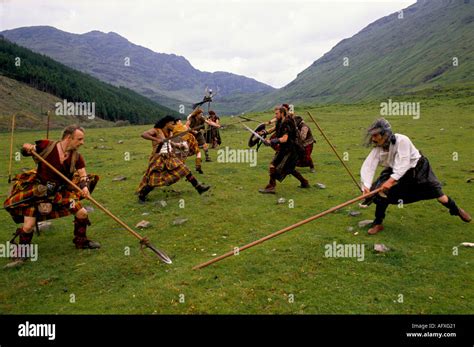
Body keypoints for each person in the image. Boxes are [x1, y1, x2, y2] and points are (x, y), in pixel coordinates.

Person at [360, 118, 471, 235]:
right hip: (396, 171)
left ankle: (456, 209)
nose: (373, 138)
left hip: (418, 169)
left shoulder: (402, 140)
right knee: (380, 194)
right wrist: (366, 186)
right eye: (372, 135)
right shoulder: (378, 148)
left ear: (385, 134)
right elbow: (369, 166)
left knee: (439, 196)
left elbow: (403, 163)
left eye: (376, 135)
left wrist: (391, 181)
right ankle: (378, 223)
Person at [4, 125, 101, 255]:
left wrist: (85, 187)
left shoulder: (76, 157)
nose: (82, 142)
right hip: (39, 190)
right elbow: (26, 151)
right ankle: (22, 253)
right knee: (28, 226)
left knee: (82, 213)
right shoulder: (46, 146)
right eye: (79, 139)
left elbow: (83, 174)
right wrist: (26, 148)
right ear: (68, 138)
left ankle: (81, 241)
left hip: (60, 192)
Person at [137, 115, 210, 202]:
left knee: (184, 169)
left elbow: (169, 143)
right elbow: (143, 134)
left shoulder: (169, 133)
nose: (174, 126)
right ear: (167, 123)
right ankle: (142, 195)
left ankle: (199, 188)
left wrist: (178, 145)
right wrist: (156, 139)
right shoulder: (156, 130)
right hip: (158, 158)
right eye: (172, 124)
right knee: (155, 180)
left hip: (169, 157)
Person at [258, 106, 310, 194]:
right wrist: (264, 132)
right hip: (284, 148)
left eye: (277, 113)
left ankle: (271, 186)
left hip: (291, 150)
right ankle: (304, 182)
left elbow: (284, 138)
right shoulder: (280, 121)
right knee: (289, 168)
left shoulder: (287, 123)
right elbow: (274, 128)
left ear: (282, 113)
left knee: (275, 165)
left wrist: (271, 141)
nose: (275, 115)